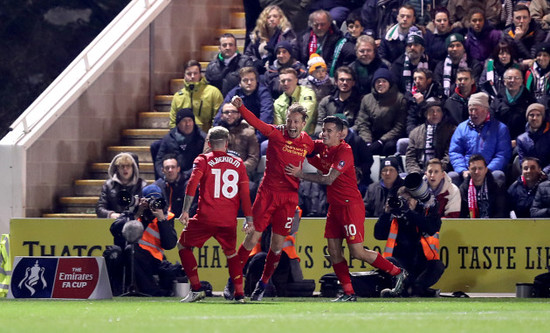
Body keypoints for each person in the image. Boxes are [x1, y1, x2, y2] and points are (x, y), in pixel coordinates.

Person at [285, 116, 407, 301]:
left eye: (329, 131)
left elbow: (328, 179)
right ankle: (349, 293)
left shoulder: (345, 151)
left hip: (350, 206)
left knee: (357, 253)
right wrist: (290, 128)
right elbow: (304, 141)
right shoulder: (323, 146)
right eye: (323, 130)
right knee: (334, 252)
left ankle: (397, 272)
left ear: (341, 134)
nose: (324, 133)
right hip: (334, 207)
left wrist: (299, 174)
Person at [229, 95, 314, 301]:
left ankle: (263, 284)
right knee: (252, 239)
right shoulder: (276, 133)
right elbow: (256, 123)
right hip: (267, 194)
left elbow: (322, 160)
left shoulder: (308, 144)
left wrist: (303, 174)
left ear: (304, 123)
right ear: (285, 120)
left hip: (288, 199)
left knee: (277, 246)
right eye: (290, 120)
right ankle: (232, 282)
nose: (292, 125)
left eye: (297, 122)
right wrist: (242, 108)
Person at [177, 126, 254, 303]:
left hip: (206, 217)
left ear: (209, 143)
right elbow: (244, 194)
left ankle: (196, 289)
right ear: (227, 143)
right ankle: (240, 295)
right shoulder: (239, 163)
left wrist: (185, 210)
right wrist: (249, 219)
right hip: (228, 220)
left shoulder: (203, 159)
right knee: (231, 254)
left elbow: (192, 184)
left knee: (183, 246)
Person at [374, 177, 444, 297]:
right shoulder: (394, 216)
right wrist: (386, 213)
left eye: (408, 200)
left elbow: (431, 228)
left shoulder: (426, 213)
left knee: (437, 265)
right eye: (402, 200)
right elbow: (378, 234)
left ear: (416, 200)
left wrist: (409, 213)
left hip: (421, 263)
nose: (405, 203)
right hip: (401, 265)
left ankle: (416, 288)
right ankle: (410, 289)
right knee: (388, 261)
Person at [109, 184, 178, 296]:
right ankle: (114, 291)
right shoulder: (134, 211)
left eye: (155, 201)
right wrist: (136, 215)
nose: (152, 205)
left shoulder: (166, 216)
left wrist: (161, 220)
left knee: (132, 250)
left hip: (152, 259)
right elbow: (114, 229)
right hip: (129, 254)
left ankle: (151, 291)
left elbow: (169, 244)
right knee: (113, 252)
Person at [449, 92, 512, 187]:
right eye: (471, 110)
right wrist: (463, 170)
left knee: (498, 175)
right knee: (452, 176)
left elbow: (502, 154)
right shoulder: (461, 128)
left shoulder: (500, 128)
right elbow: (455, 152)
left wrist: (487, 170)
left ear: (486, 110)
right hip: (467, 171)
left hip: (489, 171)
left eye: (476, 110)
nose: (473, 113)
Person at [355, 68, 407, 156]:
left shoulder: (399, 99)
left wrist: (381, 141)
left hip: (390, 137)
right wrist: (367, 141)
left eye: (384, 81)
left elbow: (399, 126)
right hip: (372, 136)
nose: (380, 84)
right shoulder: (367, 99)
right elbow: (363, 122)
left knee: (389, 146)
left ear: (389, 83)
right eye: (378, 81)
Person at [206, 103, 260, 186]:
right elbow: (206, 155)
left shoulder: (249, 133)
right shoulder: (213, 133)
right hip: (217, 173)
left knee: (251, 188)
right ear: (221, 116)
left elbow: (253, 159)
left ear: (239, 115)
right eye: (226, 112)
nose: (230, 114)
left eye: (233, 112)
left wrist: (235, 167)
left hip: (241, 174)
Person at [215, 67, 273, 143]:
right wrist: (216, 132)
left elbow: (266, 117)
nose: (249, 83)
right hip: (236, 131)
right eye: (245, 80)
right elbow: (221, 113)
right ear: (240, 83)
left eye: (252, 80)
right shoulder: (234, 93)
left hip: (258, 133)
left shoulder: (263, 93)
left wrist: (256, 140)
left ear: (256, 81)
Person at [170, 60, 223, 132]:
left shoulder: (213, 92)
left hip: (206, 136)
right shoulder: (178, 97)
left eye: (195, 73)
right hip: (183, 138)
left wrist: (211, 136)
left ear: (200, 74)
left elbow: (218, 118)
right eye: (189, 74)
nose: (192, 76)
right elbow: (173, 122)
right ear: (184, 75)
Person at [406, 98, 456, 174]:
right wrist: (415, 171)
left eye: (438, 110)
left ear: (442, 114)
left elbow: (449, 156)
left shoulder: (451, 131)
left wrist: (436, 170)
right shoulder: (415, 133)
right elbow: (410, 157)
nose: (435, 114)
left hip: (441, 171)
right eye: (431, 111)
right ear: (425, 114)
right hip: (420, 171)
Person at [154, 108, 206, 181]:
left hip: (193, 177)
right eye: (184, 121)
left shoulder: (202, 138)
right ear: (178, 124)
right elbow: (159, 160)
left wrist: (186, 175)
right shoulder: (168, 138)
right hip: (171, 175)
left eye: (190, 121)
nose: (188, 124)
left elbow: (203, 162)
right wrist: (164, 175)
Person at [245, 5, 298, 74]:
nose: (272, 19)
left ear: (281, 18)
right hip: (260, 71)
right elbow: (248, 54)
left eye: (275, 16)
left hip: (282, 70)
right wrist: (255, 62)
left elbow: (293, 52)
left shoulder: (287, 34)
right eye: (268, 17)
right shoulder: (257, 35)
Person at [490, 67, 537, 144]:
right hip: (499, 140)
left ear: (522, 81)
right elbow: (492, 122)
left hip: (523, 141)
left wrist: (518, 141)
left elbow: (533, 124)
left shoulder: (530, 100)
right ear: (504, 81)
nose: (512, 80)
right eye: (509, 78)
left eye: (516, 78)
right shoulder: (497, 100)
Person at [96, 152, 147, 219]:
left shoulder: (142, 185)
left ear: (133, 168)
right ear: (117, 168)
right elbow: (100, 208)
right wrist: (111, 214)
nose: (125, 169)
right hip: (113, 222)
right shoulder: (108, 185)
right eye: (122, 166)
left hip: (135, 222)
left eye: (128, 166)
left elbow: (146, 209)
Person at [314, 66, 361, 137]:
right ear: (336, 82)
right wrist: (321, 133)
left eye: (348, 80)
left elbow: (358, 125)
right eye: (342, 80)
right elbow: (320, 123)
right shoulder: (326, 101)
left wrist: (345, 133)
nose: (345, 83)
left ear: (353, 83)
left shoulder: (359, 102)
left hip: (349, 137)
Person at [433, 33, 482, 97]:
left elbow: (475, 86)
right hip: (445, 100)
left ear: (464, 48)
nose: (455, 49)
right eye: (451, 46)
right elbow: (438, 85)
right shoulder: (440, 66)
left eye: (458, 45)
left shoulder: (473, 64)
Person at [273, 67, 317, 135]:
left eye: (289, 80)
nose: (286, 83)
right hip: (286, 137)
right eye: (283, 81)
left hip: (307, 136)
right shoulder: (278, 102)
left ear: (296, 80)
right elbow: (279, 127)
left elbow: (305, 118)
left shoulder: (307, 93)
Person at [405, 68, 446, 137]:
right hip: (419, 133)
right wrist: (413, 135)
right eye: (415, 79)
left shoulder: (438, 94)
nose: (417, 81)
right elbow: (411, 120)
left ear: (429, 80)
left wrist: (422, 104)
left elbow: (435, 118)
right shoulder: (413, 96)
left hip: (438, 133)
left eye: (420, 78)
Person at [517, 103, 550, 176]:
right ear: (527, 117)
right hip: (530, 174)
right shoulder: (521, 139)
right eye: (531, 115)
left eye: (538, 115)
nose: (534, 118)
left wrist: (544, 171)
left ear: (543, 118)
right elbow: (522, 161)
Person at [154, 154, 187, 219]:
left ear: (178, 169)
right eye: (167, 168)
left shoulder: (187, 186)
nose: (170, 170)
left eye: (173, 167)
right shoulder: (157, 186)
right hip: (162, 221)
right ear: (162, 170)